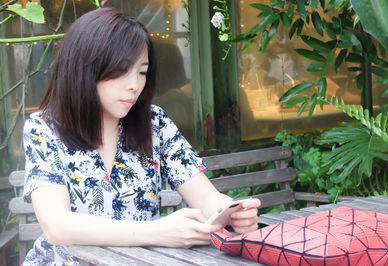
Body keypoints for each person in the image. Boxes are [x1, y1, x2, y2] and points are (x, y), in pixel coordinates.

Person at [22, 8, 260, 265]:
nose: (134, 84)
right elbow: (58, 226)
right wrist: (159, 232)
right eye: (121, 70)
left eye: (142, 71)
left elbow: (206, 197)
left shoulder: (154, 123)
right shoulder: (45, 127)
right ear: (85, 68)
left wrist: (231, 213)